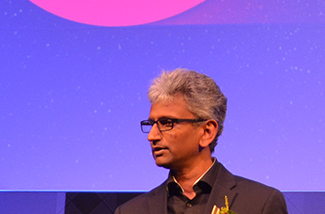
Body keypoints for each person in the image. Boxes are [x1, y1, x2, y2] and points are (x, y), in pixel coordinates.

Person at [116, 69, 288, 214]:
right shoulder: (130, 211)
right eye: (151, 124)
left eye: (166, 123)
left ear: (207, 132)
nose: (152, 136)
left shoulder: (260, 203)